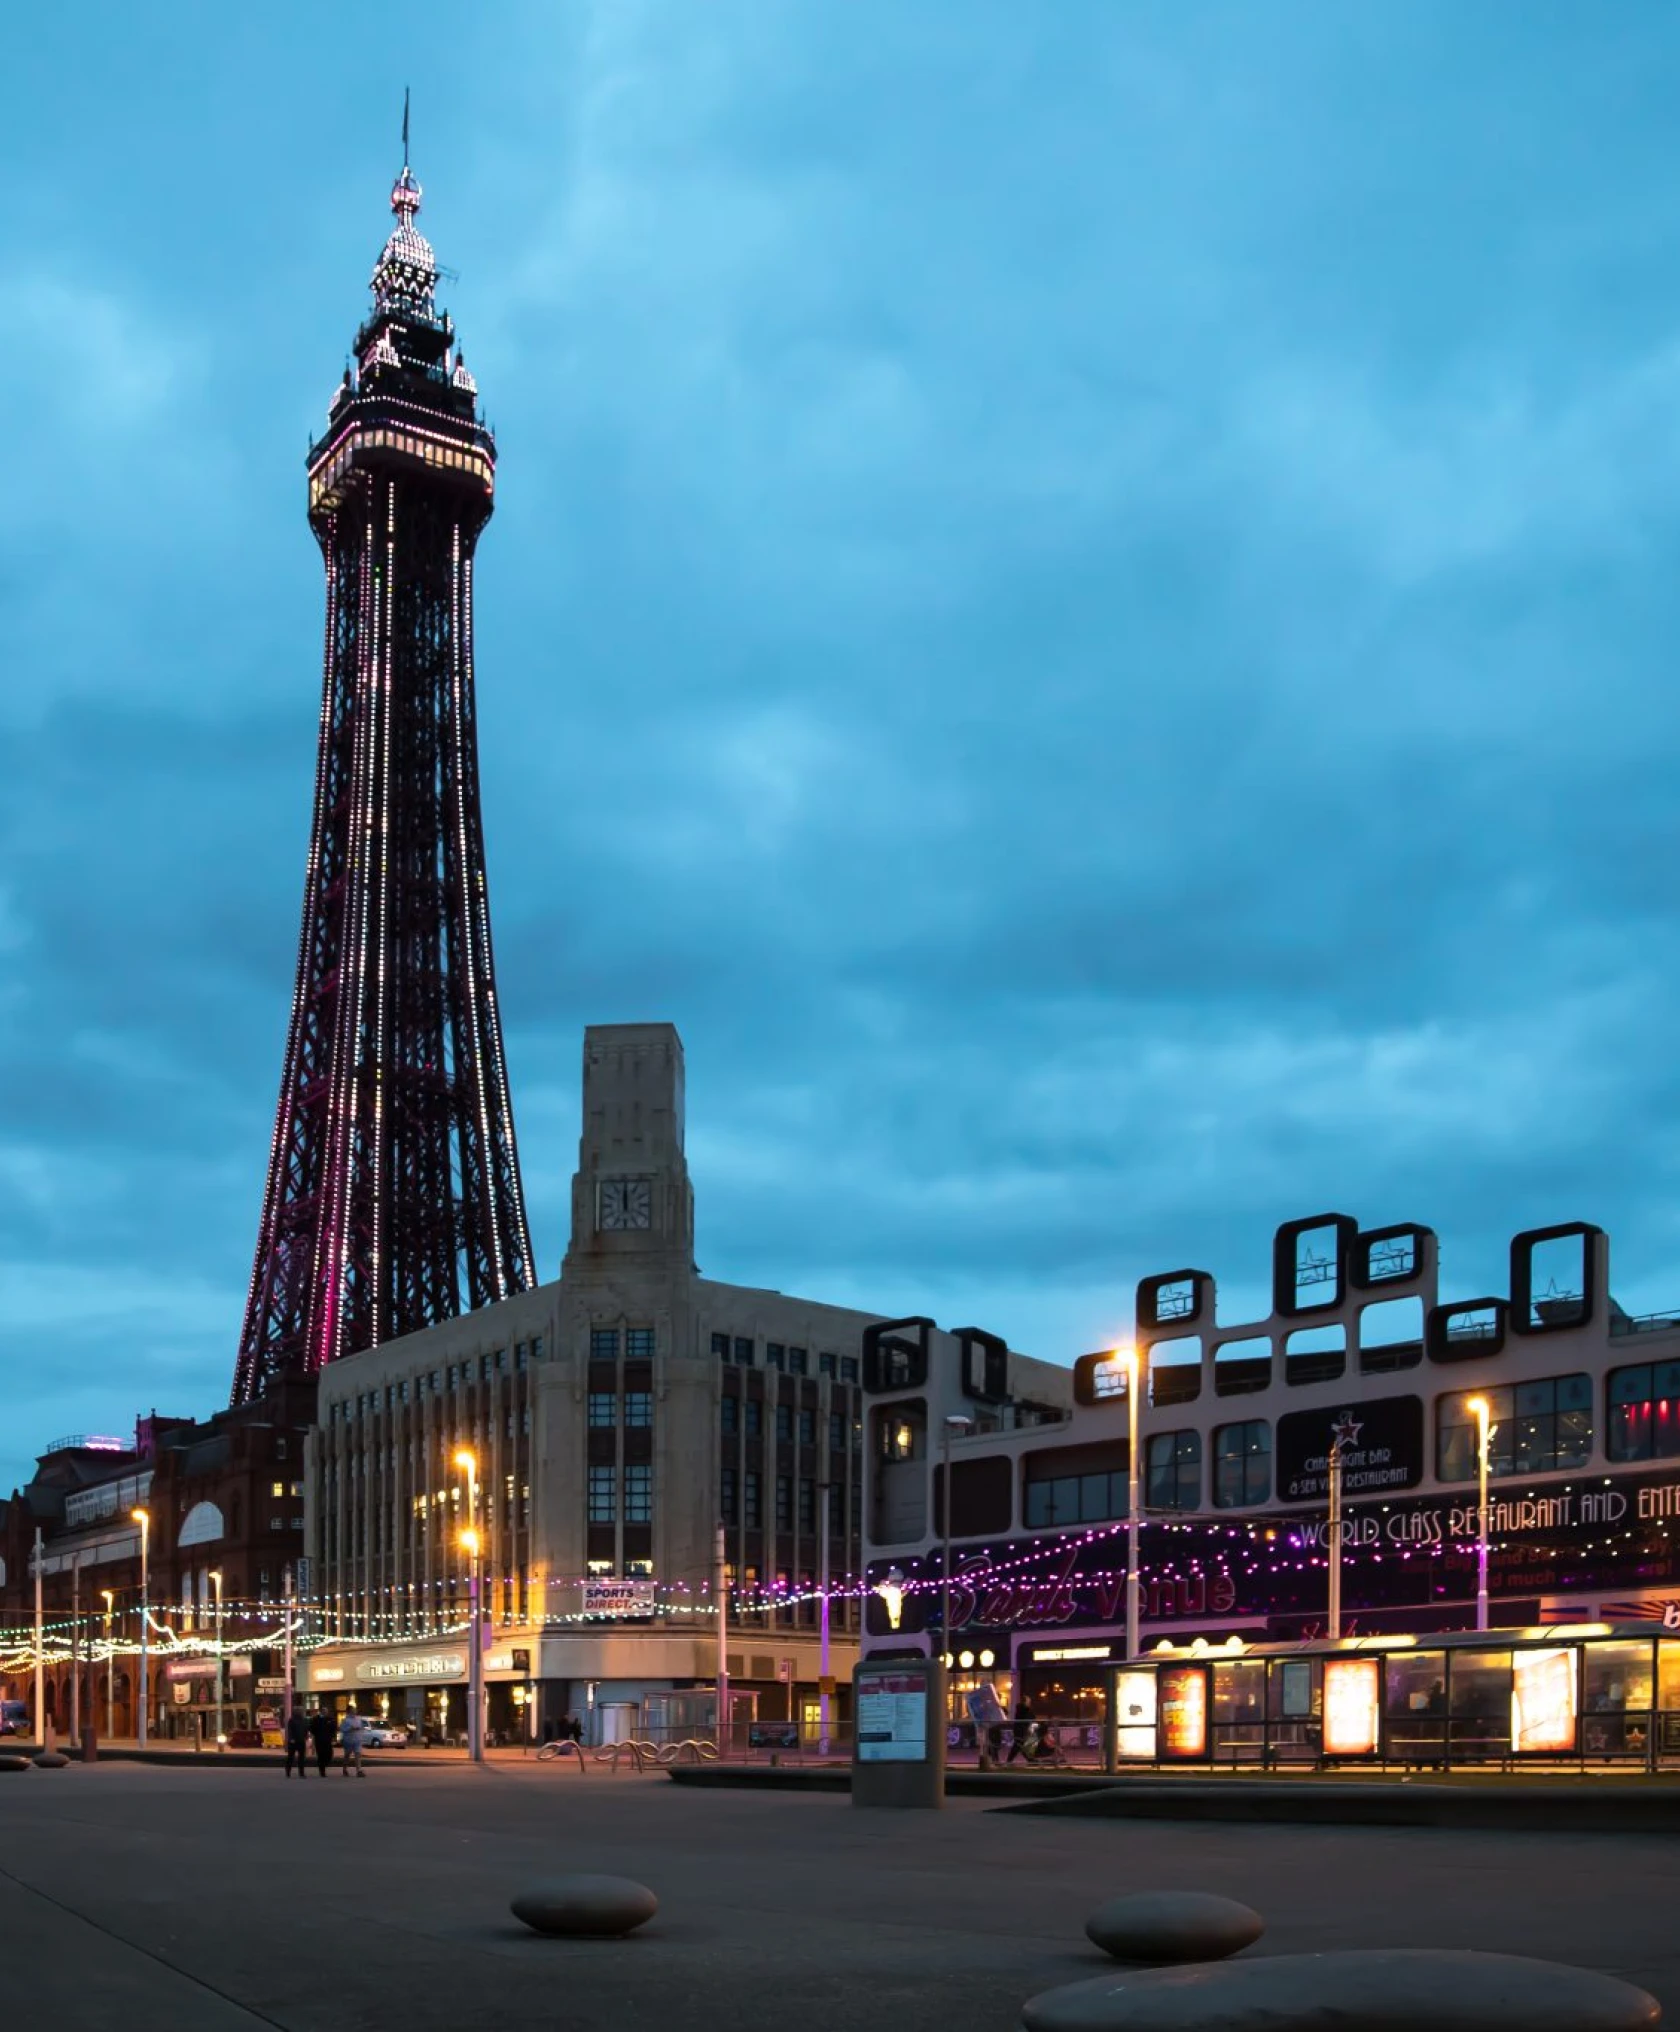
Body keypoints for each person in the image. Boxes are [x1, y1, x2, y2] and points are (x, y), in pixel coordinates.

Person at [1005, 1698, 1036, 1765]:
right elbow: (1025, 1712)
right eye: (1028, 1701)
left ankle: (1030, 1760)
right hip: (1019, 1730)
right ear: (1024, 1702)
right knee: (1019, 1745)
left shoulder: (1026, 1709)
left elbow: (1032, 1717)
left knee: (1019, 1745)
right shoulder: (1021, 1708)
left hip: (1023, 1730)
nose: (1029, 1703)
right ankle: (1030, 1760)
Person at [340, 1708, 367, 1778]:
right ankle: (345, 1768)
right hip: (348, 1740)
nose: (354, 1712)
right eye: (352, 1711)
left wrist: (361, 1731)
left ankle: (359, 1771)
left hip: (357, 1740)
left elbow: (362, 1727)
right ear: (349, 1712)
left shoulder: (359, 1719)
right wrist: (350, 1729)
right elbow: (342, 1729)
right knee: (347, 1756)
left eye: (355, 1711)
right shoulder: (345, 1720)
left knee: (357, 1755)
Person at [284, 1707, 310, 1779]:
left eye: (301, 1711)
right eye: (299, 1711)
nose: (301, 1712)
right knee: (290, 1757)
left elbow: (306, 1729)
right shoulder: (292, 1720)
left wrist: (306, 1736)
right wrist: (291, 1738)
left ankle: (301, 1773)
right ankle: (288, 1771)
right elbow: (290, 1730)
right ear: (296, 1712)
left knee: (301, 1758)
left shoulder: (304, 1720)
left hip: (301, 1741)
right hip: (293, 1741)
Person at [308, 1706, 334, 1776]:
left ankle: (325, 1764)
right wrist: (315, 1734)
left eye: (326, 1711)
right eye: (324, 1711)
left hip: (328, 1740)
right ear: (321, 1711)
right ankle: (322, 1771)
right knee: (321, 1755)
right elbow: (312, 1728)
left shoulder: (330, 1719)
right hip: (319, 1740)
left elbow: (333, 1728)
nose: (326, 1712)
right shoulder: (316, 1719)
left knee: (329, 1754)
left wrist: (332, 1737)